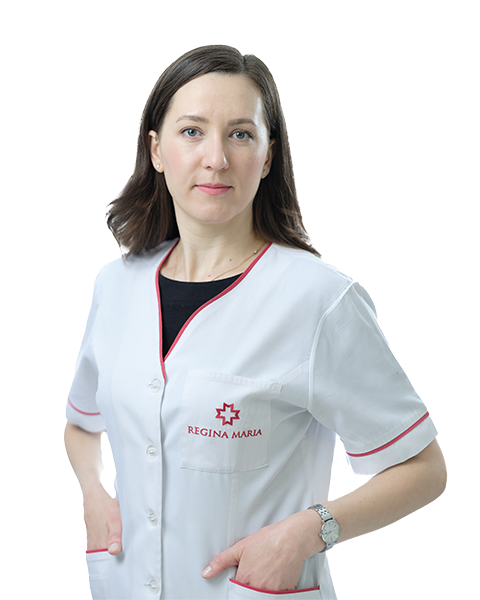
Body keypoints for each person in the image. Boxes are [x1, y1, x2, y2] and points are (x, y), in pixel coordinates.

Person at [64, 44, 447, 600]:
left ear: (268, 157)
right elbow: (80, 422)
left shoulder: (319, 299)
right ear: (157, 150)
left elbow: (424, 468)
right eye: (192, 131)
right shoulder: (115, 285)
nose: (216, 158)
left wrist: (309, 531)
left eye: (241, 134)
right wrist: (93, 493)